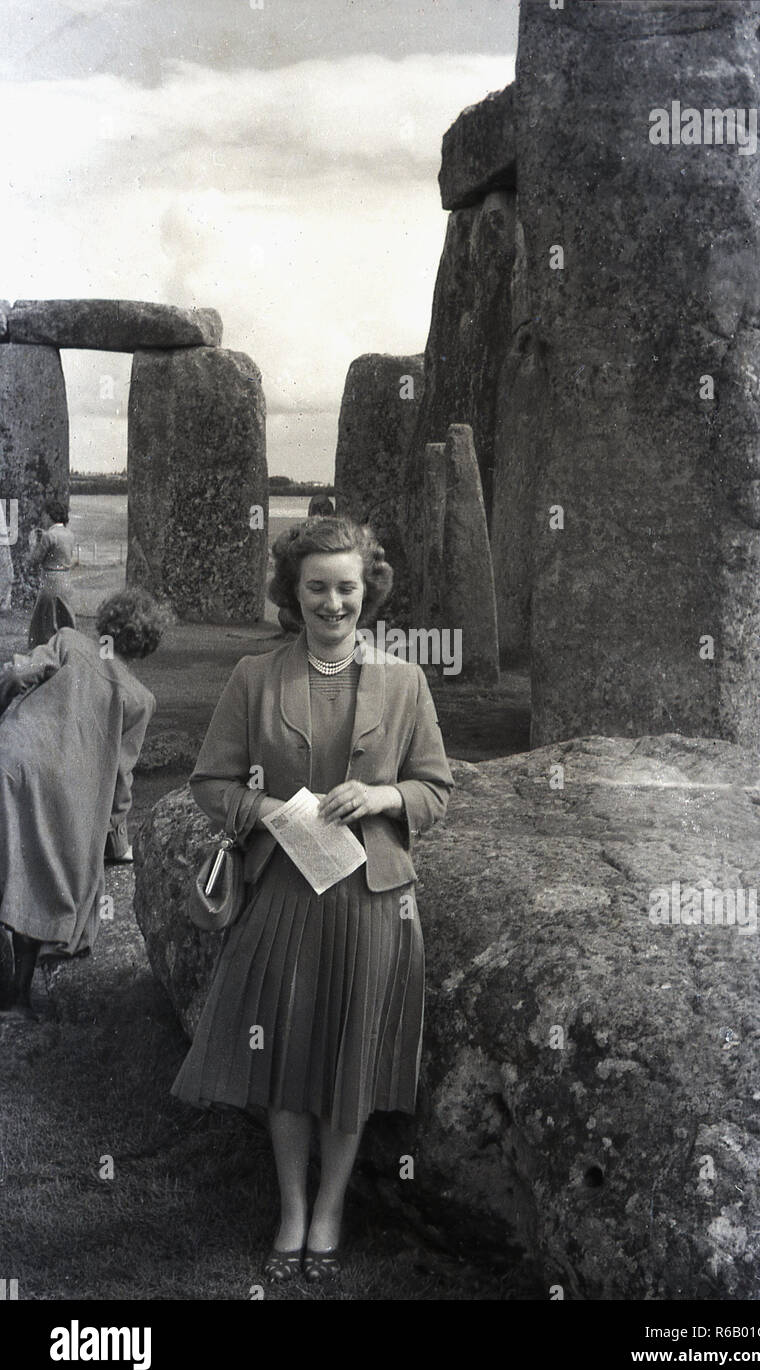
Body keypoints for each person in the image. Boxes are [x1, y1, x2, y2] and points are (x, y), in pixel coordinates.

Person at [171, 516, 453, 1283]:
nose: (334, 604)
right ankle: (291, 1208)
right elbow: (209, 782)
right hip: (283, 898)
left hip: (372, 905)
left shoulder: (404, 681)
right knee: (287, 1061)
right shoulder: (254, 678)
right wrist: (262, 811)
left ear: (370, 590)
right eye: (317, 588)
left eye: (347, 588)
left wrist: (384, 793)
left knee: (348, 1063)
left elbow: (436, 789)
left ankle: (330, 1211)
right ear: (292, 597)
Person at [0, 588, 164, 1021]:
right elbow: (121, 779)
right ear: (147, 645)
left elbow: (18, 677)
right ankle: (18, 999)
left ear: (107, 620)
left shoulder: (70, 642)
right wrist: (116, 840)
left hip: (14, 759)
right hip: (67, 795)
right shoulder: (140, 698)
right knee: (40, 878)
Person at [27, 501, 77, 648]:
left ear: (50, 516)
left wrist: (33, 543)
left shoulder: (49, 536)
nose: (43, 519)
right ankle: (67, 649)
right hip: (66, 580)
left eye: (45, 515)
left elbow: (35, 560)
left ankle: (44, 654)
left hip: (50, 581)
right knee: (65, 619)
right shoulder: (69, 534)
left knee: (43, 623)